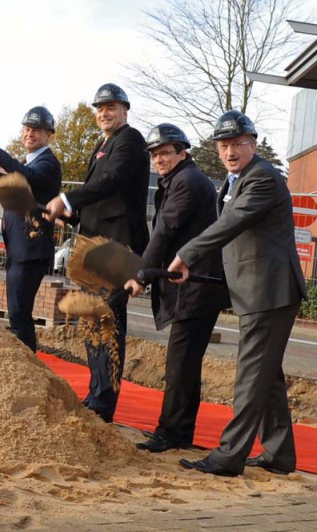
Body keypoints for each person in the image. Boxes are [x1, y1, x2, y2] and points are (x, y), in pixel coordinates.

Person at [169, 110, 307, 476]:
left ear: (254, 144)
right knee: (267, 376)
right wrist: (195, 266)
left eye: (238, 144)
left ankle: (229, 455)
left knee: (249, 375)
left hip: (269, 292)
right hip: (255, 291)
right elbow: (229, 234)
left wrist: (186, 255)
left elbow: (229, 224)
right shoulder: (234, 181)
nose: (230, 151)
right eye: (224, 145)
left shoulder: (262, 177)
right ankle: (279, 455)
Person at [44, 83, 150, 423]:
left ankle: (105, 402)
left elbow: (113, 182)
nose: (104, 113)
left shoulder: (130, 140)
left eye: (111, 107)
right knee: (94, 321)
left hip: (117, 247)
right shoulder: (101, 144)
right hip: (95, 246)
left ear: (125, 110)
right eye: (100, 108)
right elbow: (100, 199)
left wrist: (69, 199)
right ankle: (96, 393)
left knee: (107, 321)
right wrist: (71, 213)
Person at [122, 123, 230, 453]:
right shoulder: (180, 180)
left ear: (182, 153)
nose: (158, 159)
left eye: (165, 153)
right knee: (184, 363)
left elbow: (165, 231)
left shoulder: (186, 182)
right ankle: (179, 431)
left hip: (196, 286)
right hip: (193, 286)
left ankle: (171, 432)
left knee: (180, 362)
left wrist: (140, 276)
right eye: (154, 155)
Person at [0, 106, 62, 352]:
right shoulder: (28, 162)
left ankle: (28, 366)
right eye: (26, 129)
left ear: (49, 134)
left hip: (31, 249)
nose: (29, 134)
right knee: (17, 311)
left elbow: (27, 176)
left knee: (19, 312)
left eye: (36, 130)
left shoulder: (48, 163)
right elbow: (15, 180)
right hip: (20, 248)